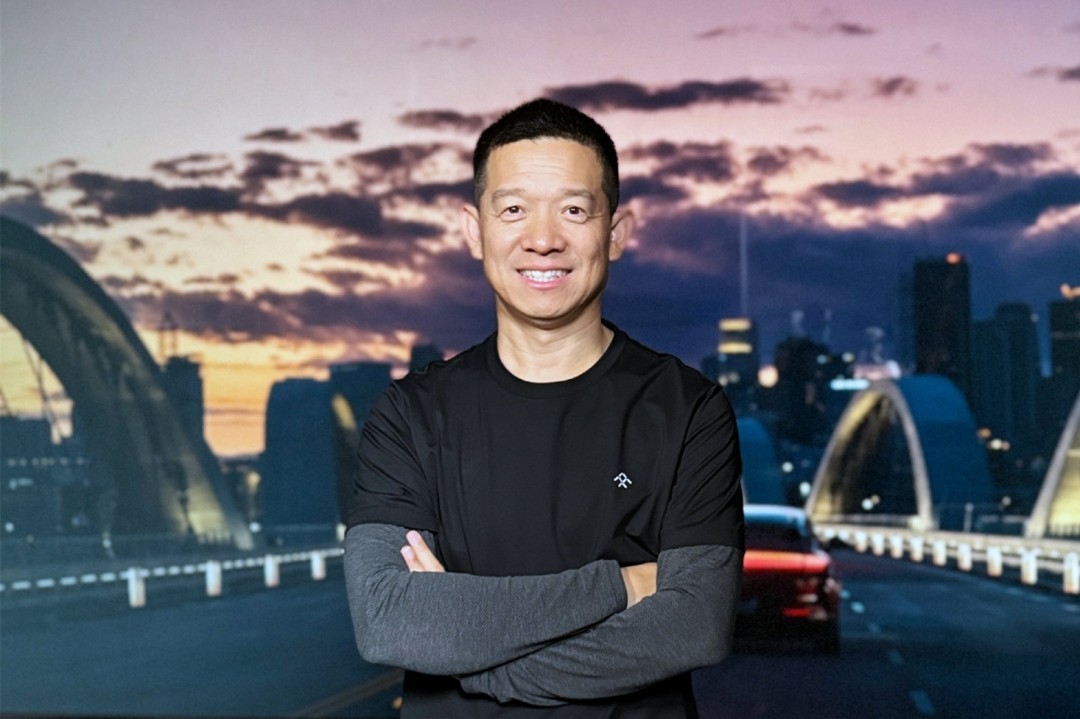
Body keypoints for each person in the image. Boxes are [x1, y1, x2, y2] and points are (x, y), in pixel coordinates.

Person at [343, 98, 744, 718]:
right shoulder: (409, 414)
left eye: (574, 210)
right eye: (513, 210)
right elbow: (389, 622)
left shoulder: (689, 409)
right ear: (474, 231)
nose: (543, 240)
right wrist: (624, 583)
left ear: (616, 232)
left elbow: (693, 627)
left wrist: (468, 657)